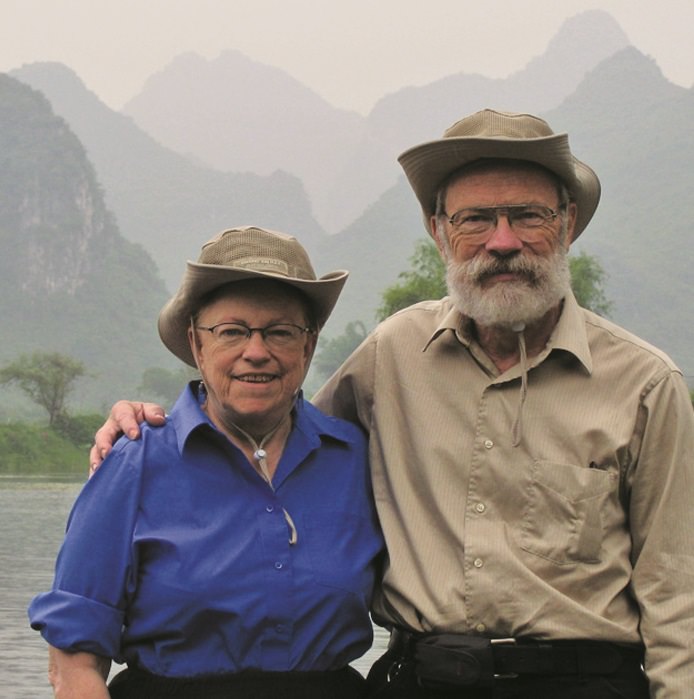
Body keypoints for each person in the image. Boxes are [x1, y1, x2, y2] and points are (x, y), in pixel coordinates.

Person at [90, 110, 694, 698]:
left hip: (584, 683)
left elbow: (678, 595)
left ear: (565, 224)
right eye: (476, 219)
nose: (503, 241)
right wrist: (156, 428)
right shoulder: (393, 354)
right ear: (439, 233)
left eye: (528, 216)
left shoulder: (644, 383)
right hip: (418, 679)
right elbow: (278, 439)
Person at [29, 226, 384, 699]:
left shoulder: (354, 457)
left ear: (309, 345)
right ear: (197, 344)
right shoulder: (136, 459)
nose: (256, 352)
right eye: (232, 331)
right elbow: (74, 661)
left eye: (279, 331)